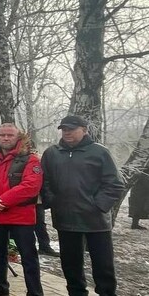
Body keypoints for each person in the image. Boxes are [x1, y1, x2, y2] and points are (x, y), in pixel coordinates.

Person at [42, 115, 125, 296]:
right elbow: (45, 181)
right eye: (64, 129)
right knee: (70, 263)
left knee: (103, 264)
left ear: (85, 130)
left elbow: (115, 184)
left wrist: (98, 205)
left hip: (95, 220)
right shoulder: (52, 153)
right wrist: (53, 201)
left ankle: (107, 293)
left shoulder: (99, 152)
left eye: (72, 129)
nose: (67, 132)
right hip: (65, 219)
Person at [0, 122, 43, 296]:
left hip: (22, 217)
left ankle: (35, 292)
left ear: (18, 137)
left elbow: (31, 186)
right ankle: (0, 286)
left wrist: (2, 201)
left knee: (28, 257)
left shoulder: (31, 158)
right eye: (2, 135)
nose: (5, 138)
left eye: (10, 135)